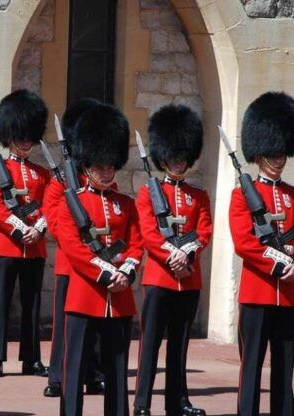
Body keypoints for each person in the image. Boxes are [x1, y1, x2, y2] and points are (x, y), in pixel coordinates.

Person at [229, 91, 294, 416]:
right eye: (273, 153)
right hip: (257, 294)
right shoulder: (243, 196)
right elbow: (244, 242)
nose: (279, 159)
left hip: (290, 295)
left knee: (285, 365)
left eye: (282, 152)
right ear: (259, 153)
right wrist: (281, 265)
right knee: (251, 365)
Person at [53, 104, 143, 416]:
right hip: (84, 296)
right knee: (75, 368)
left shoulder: (125, 204)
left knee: (116, 370)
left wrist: (127, 272)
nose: (106, 172)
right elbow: (73, 248)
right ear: (87, 164)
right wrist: (107, 273)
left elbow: (136, 243)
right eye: (100, 167)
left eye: (110, 167)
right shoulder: (72, 203)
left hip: (119, 299)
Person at [133, 104, 212, 416]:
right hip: (159, 278)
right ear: (162, 158)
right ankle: (141, 403)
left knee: (179, 346)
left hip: (188, 279)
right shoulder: (147, 194)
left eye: (182, 157)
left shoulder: (198, 196)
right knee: (150, 344)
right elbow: (149, 233)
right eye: (173, 157)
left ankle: (178, 401)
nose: (178, 163)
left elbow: (204, 231)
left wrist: (187, 252)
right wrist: (172, 255)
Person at [0, 89, 51, 378]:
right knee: (2, 302)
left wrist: (38, 228)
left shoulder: (42, 173)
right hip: (7, 246)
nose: (24, 142)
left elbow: (52, 206)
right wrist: (19, 227)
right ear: (9, 136)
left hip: (34, 247)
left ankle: (31, 359)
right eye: (20, 136)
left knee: (32, 303)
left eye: (28, 136)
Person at [43, 98, 107, 397]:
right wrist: (79, 241)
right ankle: (57, 376)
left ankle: (93, 374)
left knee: (95, 325)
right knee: (64, 326)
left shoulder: (103, 183)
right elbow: (54, 222)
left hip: (100, 262)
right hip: (70, 264)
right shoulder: (60, 183)